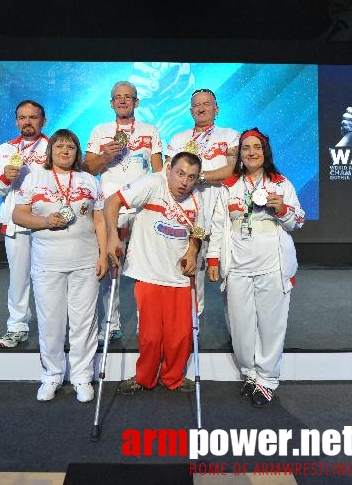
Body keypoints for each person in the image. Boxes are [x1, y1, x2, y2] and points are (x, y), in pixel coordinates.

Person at [207, 128, 305, 408]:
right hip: (237, 265)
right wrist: (213, 259)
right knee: (240, 325)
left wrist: (283, 208)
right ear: (239, 153)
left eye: (257, 147)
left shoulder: (281, 183)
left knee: (272, 325)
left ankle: (267, 379)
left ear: (265, 152)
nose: (251, 152)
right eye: (246, 147)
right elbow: (217, 227)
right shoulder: (229, 186)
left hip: (272, 265)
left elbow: (298, 220)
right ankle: (250, 373)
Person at [12, 129, 108, 403]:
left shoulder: (89, 180)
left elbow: (100, 220)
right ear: (51, 150)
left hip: (85, 262)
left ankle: (81, 376)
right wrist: (45, 222)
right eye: (60, 147)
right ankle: (52, 375)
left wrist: (102, 256)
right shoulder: (34, 178)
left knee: (84, 323)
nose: (65, 151)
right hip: (47, 263)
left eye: (71, 147)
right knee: (51, 322)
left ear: (77, 152)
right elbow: (19, 214)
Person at [105, 151, 205, 394]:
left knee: (180, 336)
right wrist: (111, 238)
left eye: (191, 177)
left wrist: (192, 252)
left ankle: (172, 377)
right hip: (148, 273)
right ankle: (144, 377)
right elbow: (112, 202)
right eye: (180, 174)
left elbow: (199, 232)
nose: (184, 181)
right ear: (169, 169)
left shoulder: (196, 200)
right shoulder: (152, 184)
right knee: (150, 335)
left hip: (179, 278)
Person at [83, 81, 163, 344]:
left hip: (140, 209)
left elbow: (159, 171)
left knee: (144, 268)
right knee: (110, 267)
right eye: (117, 97)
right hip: (110, 208)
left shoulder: (150, 130)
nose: (123, 101)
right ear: (111, 103)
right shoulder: (100, 131)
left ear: (136, 102)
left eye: (128, 97)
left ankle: (144, 323)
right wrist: (105, 155)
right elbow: (88, 169)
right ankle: (112, 323)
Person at [166, 88, 239, 314]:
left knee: (228, 272)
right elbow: (168, 172)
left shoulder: (229, 135)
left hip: (220, 213)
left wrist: (198, 177)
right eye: (197, 105)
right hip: (186, 213)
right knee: (186, 270)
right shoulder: (179, 138)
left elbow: (232, 169)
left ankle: (237, 330)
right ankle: (188, 325)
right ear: (190, 110)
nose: (201, 108)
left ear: (216, 109)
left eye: (207, 104)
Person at [0, 100, 48, 348]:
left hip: (47, 224)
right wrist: (4, 177)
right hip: (16, 225)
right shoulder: (5, 150)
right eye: (23, 117)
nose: (28, 122)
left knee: (49, 279)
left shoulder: (54, 147)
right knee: (19, 278)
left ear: (43, 120)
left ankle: (50, 327)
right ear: (16, 121)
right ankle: (17, 326)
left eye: (33, 117)